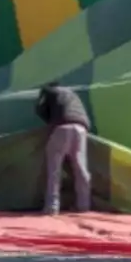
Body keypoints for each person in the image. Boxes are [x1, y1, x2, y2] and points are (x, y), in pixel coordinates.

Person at [34, 81, 92, 215]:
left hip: (62, 128)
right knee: (81, 169)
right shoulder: (73, 93)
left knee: (54, 169)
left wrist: (49, 121)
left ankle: (52, 207)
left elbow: (39, 109)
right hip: (81, 129)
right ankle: (83, 206)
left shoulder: (48, 91)